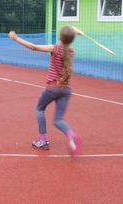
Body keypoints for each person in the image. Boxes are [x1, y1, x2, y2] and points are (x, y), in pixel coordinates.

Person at [8, 26, 82, 156]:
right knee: (58, 119)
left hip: (52, 88)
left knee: (40, 109)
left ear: (60, 37)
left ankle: (43, 141)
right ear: (71, 40)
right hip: (66, 89)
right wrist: (75, 32)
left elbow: (34, 47)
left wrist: (16, 38)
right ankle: (71, 135)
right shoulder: (71, 52)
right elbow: (67, 41)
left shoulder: (55, 49)